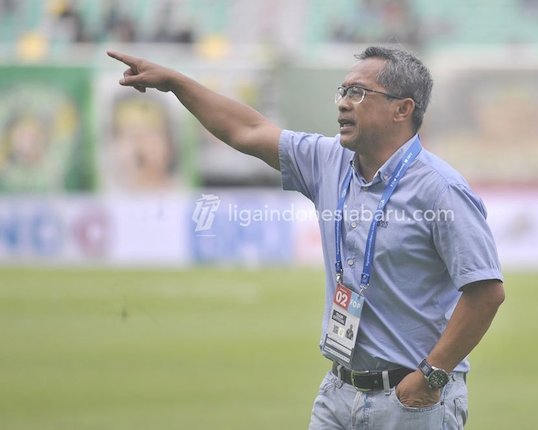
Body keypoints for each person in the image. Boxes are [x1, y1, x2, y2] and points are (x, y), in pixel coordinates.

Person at [107, 46, 505, 429]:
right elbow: (247, 129)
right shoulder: (327, 159)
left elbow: (486, 291)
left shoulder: (441, 189)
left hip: (411, 402)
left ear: (403, 109)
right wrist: (176, 83)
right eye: (343, 91)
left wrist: (430, 377)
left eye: (359, 92)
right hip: (339, 389)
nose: (343, 102)